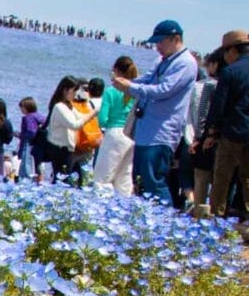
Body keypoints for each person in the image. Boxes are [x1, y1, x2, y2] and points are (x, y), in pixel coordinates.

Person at [112, 20, 198, 206]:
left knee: (154, 182)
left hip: (162, 132)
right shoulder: (162, 60)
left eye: (160, 42)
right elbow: (147, 79)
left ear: (175, 39)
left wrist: (131, 87)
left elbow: (163, 90)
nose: (157, 47)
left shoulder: (186, 63)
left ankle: (164, 224)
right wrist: (126, 82)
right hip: (145, 130)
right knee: (139, 181)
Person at [203, 30, 249, 218]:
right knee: (247, 179)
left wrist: (211, 132)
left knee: (222, 178)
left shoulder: (230, 72)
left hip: (232, 133)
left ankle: (216, 219)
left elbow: (218, 107)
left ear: (232, 51)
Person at [93, 56, 138, 195]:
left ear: (116, 71)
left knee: (103, 178)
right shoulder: (135, 91)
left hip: (114, 132)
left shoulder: (111, 91)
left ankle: (100, 210)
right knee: (124, 178)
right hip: (131, 134)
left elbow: (103, 119)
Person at [188, 50, 224, 211]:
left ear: (215, 65)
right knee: (221, 181)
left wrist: (198, 137)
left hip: (207, 138)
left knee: (202, 176)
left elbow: (203, 112)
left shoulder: (209, 85)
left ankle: (199, 211)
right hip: (225, 138)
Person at [45, 76, 99, 183]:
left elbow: (80, 116)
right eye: (74, 91)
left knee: (67, 178)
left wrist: (90, 110)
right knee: (62, 180)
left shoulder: (68, 105)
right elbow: (74, 125)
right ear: (65, 90)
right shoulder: (59, 106)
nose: (75, 94)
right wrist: (94, 112)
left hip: (67, 149)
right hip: (59, 149)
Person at [16, 97, 45, 181]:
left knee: (26, 167)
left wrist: (20, 135)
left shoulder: (28, 117)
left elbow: (31, 132)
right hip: (39, 146)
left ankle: (26, 182)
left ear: (26, 107)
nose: (21, 110)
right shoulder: (39, 116)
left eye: (21, 108)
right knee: (38, 167)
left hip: (29, 144)